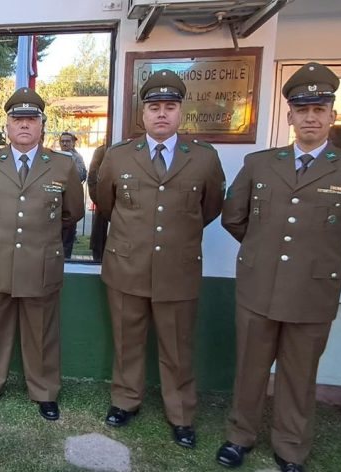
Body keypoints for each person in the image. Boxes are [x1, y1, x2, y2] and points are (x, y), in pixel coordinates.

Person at [216, 62, 341, 472]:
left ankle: (291, 447)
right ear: (290, 117)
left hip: (312, 290)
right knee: (250, 369)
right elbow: (234, 217)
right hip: (259, 286)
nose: (310, 117)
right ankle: (239, 436)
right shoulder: (260, 163)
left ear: (332, 115)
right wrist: (262, 250)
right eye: (302, 110)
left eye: (319, 109)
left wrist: (322, 254)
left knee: (299, 374)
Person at [95, 69, 225, 448]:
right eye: (155, 107)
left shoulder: (203, 158)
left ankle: (181, 414)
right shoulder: (118, 156)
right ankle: (125, 400)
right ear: (143, 114)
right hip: (127, 265)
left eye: (170, 106)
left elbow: (210, 207)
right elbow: (106, 204)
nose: (162, 114)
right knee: (127, 341)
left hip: (177, 269)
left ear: (180, 112)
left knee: (177, 347)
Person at [0, 87, 83, 420]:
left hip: (40, 263)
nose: (25, 125)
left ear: (42, 125)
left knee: (41, 331)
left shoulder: (61, 165)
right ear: (7, 126)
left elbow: (72, 212)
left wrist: (39, 235)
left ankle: (44, 391)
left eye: (32, 119)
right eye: (18, 120)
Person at [58, 131, 87, 258]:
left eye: (67, 141)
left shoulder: (77, 158)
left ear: (73, 143)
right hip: (57, 199)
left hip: (70, 199)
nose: (64, 143)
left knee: (68, 233)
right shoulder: (55, 156)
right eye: (62, 141)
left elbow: (81, 175)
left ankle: (67, 259)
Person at [87, 143, 109, 262]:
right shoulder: (101, 151)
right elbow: (92, 177)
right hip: (103, 203)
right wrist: (100, 200)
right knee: (99, 242)